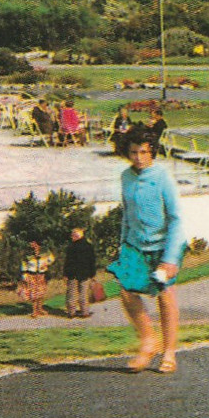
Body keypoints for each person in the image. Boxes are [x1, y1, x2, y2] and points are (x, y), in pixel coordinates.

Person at [108, 137, 186, 373]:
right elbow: (126, 214)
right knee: (126, 291)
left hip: (164, 247)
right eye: (134, 152)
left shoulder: (162, 177)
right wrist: (122, 245)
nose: (139, 157)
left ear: (152, 152)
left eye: (144, 152)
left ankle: (169, 352)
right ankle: (149, 340)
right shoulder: (125, 177)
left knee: (165, 295)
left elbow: (175, 218)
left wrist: (170, 258)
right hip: (134, 245)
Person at [62, 226, 97, 318]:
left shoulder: (71, 247)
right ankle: (84, 312)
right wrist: (93, 274)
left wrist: (65, 274)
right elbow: (92, 261)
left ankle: (71, 312)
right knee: (83, 293)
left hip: (72, 273)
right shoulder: (88, 246)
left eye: (72, 235)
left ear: (76, 236)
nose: (71, 237)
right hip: (85, 273)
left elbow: (67, 262)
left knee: (71, 293)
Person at [18, 240, 53, 318]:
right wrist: (24, 274)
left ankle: (40, 309)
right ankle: (34, 311)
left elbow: (51, 258)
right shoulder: (28, 253)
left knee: (41, 292)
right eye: (30, 243)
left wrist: (46, 263)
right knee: (33, 293)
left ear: (36, 242)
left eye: (32, 242)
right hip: (31, 275)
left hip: (41, 274)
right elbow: (24, 264)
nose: (30, 244)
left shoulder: (45, 250)